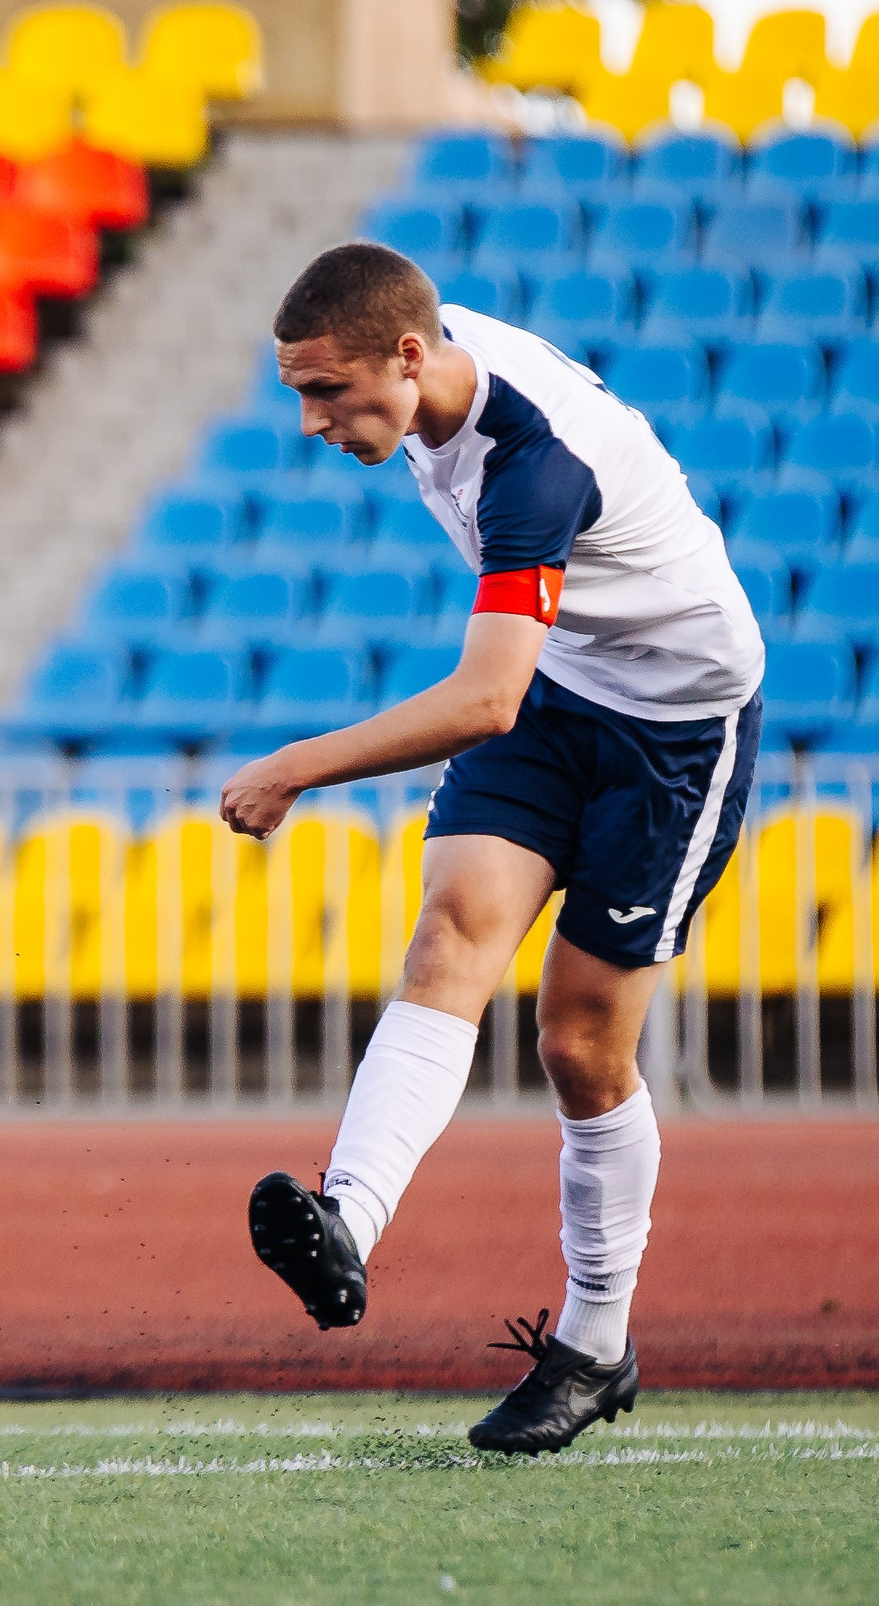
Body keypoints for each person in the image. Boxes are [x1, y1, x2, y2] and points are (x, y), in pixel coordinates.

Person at [222, 242, 764, 1455]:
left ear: (409, 359)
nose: (313, 422)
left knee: (576, 1043)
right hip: (565, 683)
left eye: (327, 394)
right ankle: (346, 1224)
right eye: (299, 393)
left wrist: (292, 765)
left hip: (674, 724)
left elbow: (481, 702)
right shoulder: (424, 356)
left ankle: (596, 1342)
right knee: (449, 933)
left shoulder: (534, 468)